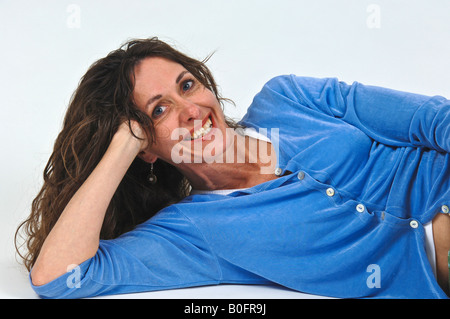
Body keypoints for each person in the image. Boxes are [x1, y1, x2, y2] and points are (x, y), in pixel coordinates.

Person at [15, 37, 449, 299]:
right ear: (146, 146)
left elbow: (431, 120)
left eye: (188, 85)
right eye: (160, 109)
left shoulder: (288, 98)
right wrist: (121, 148)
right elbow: (59, 278)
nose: (190, 110)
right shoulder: (193, 232)